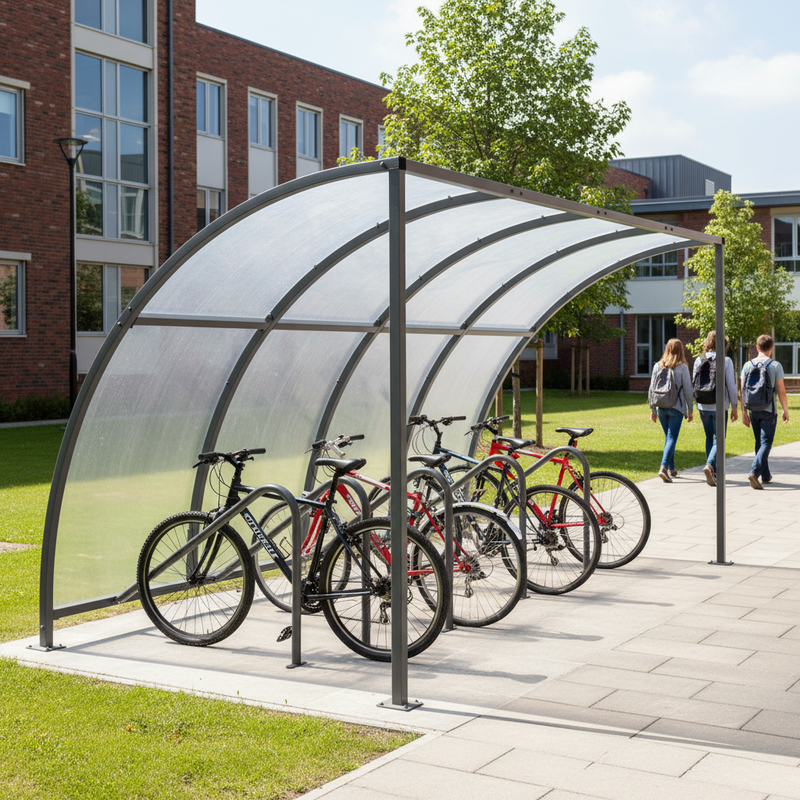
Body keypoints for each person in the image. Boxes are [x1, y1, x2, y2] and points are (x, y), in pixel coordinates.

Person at [740, 334, 790, 489]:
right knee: (766, 443)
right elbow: (781, 391)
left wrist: (744, 412)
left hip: (753, 409)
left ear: (757, 347)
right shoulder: (775, 366)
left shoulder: (748, 365)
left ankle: (765, 475)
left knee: (759, 443)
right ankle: (754, 472)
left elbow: (742, 391)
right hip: (768, 410)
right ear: (771, 348)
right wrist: (785, 410)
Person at [692, 331, 738, 487]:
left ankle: (713, 473)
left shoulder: (699, 359)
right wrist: (735, 406)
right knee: (720, 439)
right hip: (719, 405)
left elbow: (694, 382)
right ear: (723, 344)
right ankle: (710, 465)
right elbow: (731, 385)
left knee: (709, 438)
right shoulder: (726, 361)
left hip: (703, 404)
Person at [648, 338, 693, 483]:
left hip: (661, 406)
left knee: (668, 437)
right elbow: (687, 390)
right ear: (681, 351)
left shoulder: (657, 366)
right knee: (672, 437)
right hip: (676, 407)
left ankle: (672, 468)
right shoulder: (682, 367)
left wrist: (652, 408)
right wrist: (690, 409)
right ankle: (663, 467)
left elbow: (651, 388)